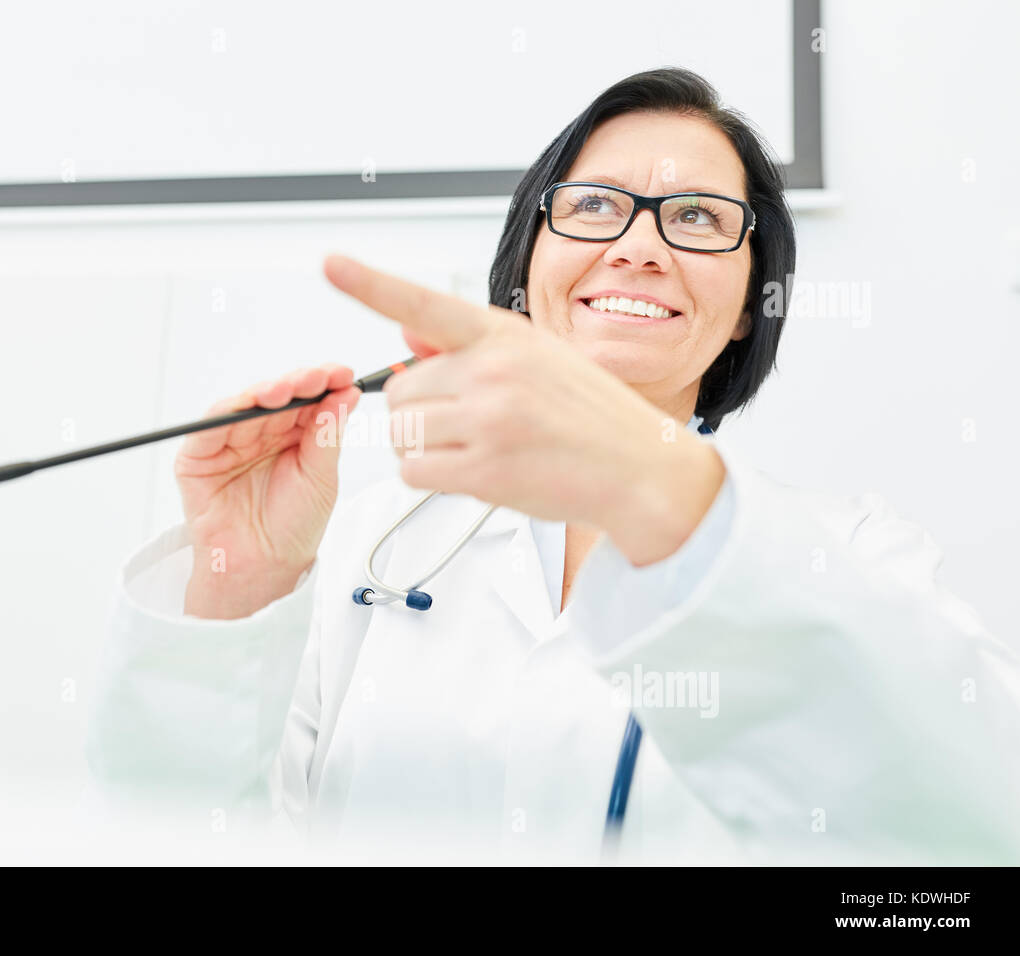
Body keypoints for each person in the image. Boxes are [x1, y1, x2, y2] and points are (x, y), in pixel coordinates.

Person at [84, 67, 1020, 864]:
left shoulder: (850, 549)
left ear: (747, 303)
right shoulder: (377, 542)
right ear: (529, 264)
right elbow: (182, 841)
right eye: (595, 205)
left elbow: (965, 835)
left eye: (696, 216)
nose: (640, 246)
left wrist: (665, 492)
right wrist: (233, 591)